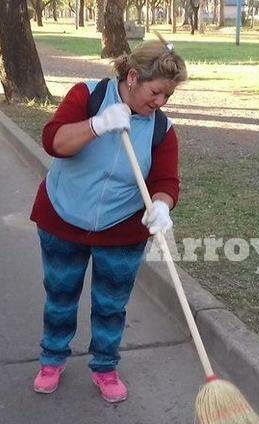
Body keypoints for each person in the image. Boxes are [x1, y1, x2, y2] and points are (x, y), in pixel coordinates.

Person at [30, 40, 187, 402]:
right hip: (63, 217)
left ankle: (104, 366)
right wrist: (97, 124)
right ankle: (52, 359)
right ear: (132, 77)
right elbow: (53, 141)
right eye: (156, 92)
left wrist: (162, 205)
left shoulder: (162, 128)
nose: (160, 102)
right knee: (60, 295)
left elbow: (166, 181)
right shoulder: (88, 94)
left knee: (110, 305)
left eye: (168, 95)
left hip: (122, 228)